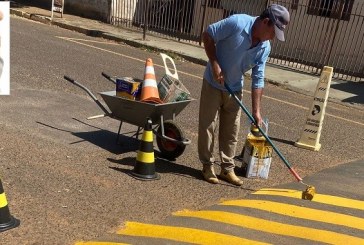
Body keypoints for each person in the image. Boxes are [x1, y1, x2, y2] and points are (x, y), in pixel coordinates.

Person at [198, 4, 290, 185]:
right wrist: (214, 63)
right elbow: (208, 34)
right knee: (208, 126)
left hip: (234, 88)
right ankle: (207, 166)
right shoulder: (237, 23)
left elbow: (258, 79)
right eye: (273, 32)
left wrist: (257, 112)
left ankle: (227, 168)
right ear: (265, 22)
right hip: (213, 83)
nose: (273, 38)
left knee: (231, 131)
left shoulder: (265, 47)